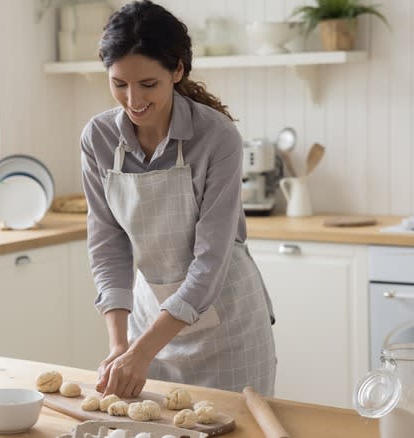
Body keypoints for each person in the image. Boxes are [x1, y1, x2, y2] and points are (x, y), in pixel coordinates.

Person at [80, 0, 276, 399]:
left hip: (229, 327)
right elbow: (108, 245)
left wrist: (142, 351)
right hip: (149, 322)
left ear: (178, 71)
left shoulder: (216, 136)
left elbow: (210, 260)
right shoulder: (98, 138)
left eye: (148, 84)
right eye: (119, 83)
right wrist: (122, 346)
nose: (133, 99)